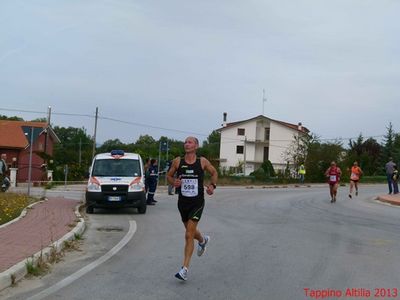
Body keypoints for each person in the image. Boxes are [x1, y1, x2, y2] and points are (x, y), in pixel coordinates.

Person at [167, 136, 218, 281]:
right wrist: (174, 181)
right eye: (185, 142)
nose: (186, 144)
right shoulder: (178, 161)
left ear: (196, 146)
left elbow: (214, 173)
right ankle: (202, 240)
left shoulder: (202, 161)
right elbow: (168, 176)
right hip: (182, 203)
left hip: (197, 203)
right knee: (191, 231)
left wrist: (212, 186)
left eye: (190, 142)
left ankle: (184, 269)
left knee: (188, 235)